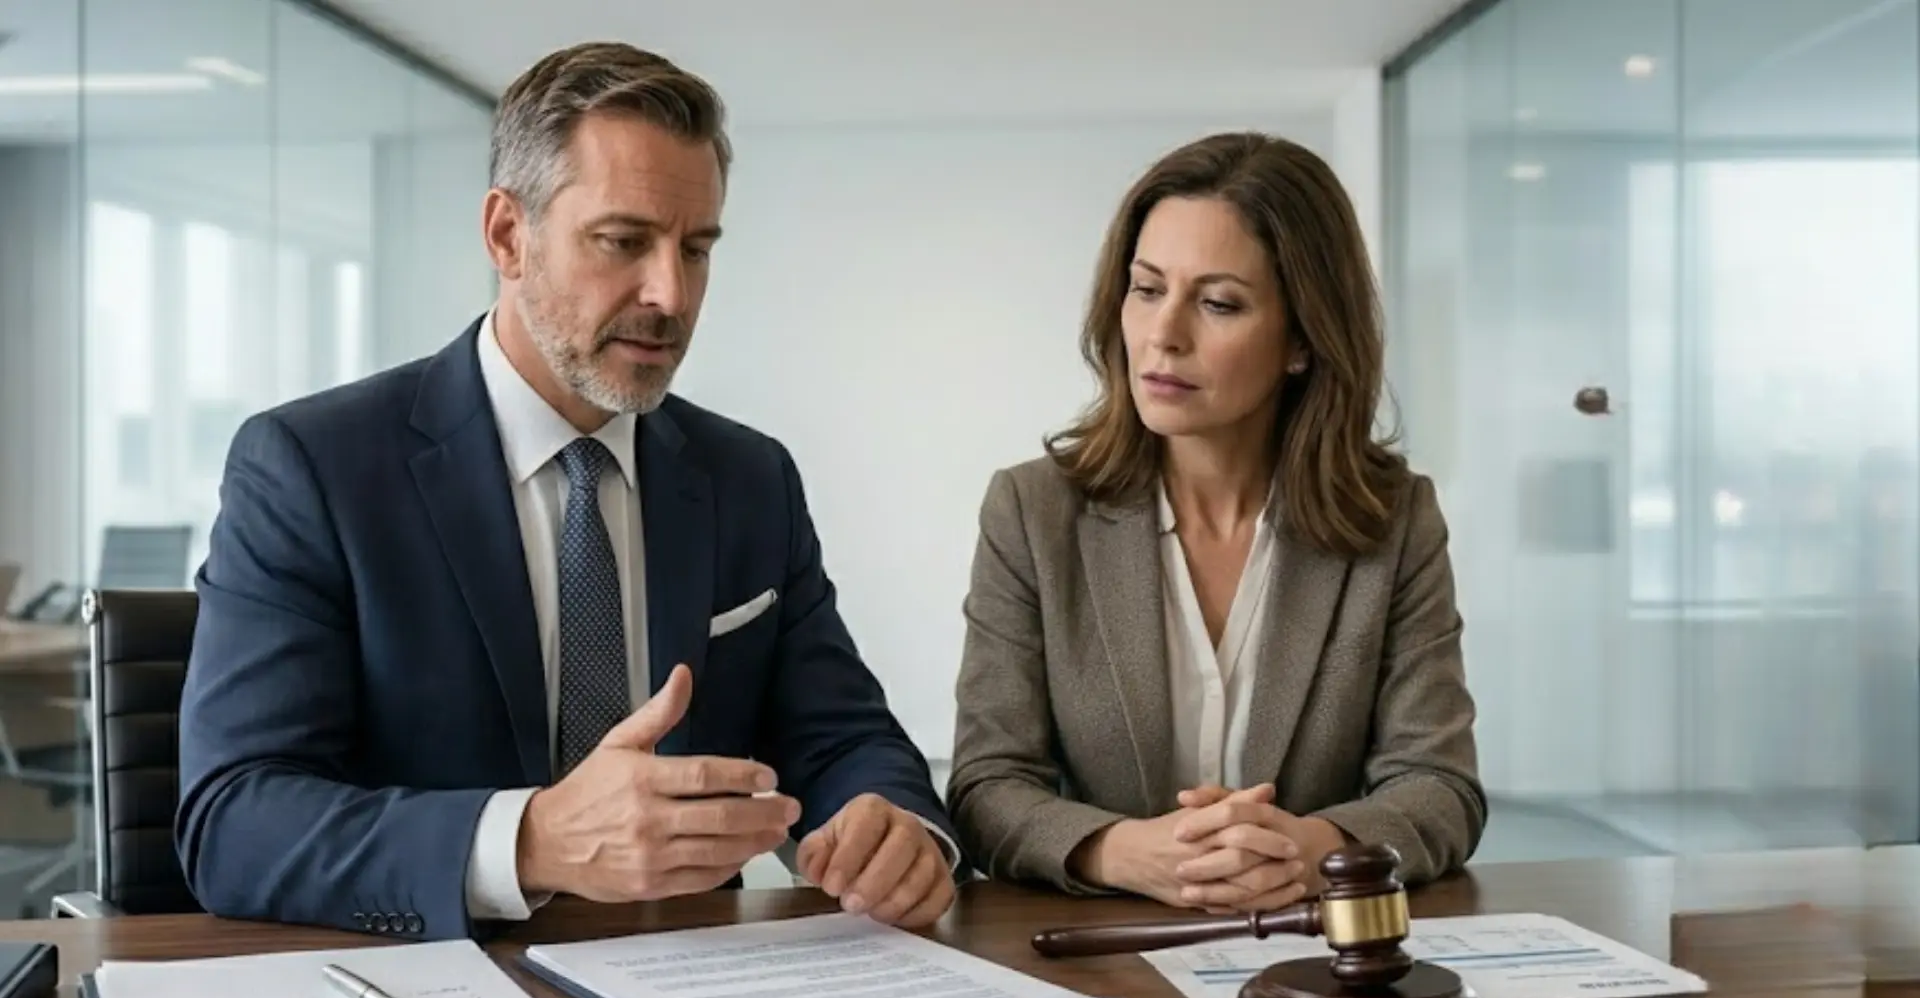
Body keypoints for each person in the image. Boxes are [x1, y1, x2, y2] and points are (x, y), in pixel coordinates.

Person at [175, 42, 958, 940]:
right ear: (509, 236)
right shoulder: (314, 468)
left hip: (699, 977)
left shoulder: (750, 478)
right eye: (623, 242)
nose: (671, 294)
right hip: (429, 984)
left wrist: (892, 825)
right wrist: (533, 841)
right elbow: (235, 822)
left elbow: (843, 737)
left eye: (696, 249)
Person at [945, 132, 1484, 914]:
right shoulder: (1032, 512)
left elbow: (1439, 786)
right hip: (1099, 953)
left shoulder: (1393, 520)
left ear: (1302, 340)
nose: (1163, 335)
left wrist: (1314, 851)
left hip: (1314, 949)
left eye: (1218, 303)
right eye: (1146, 289)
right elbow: (987, 785)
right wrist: (1128, 853)